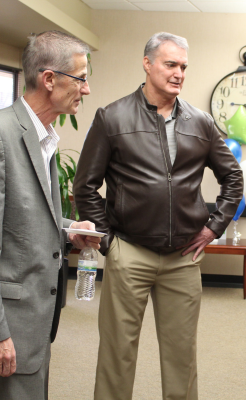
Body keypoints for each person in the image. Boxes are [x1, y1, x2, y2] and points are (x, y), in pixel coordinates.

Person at [73, 32, 243, 400]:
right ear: (147, 64)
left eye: (183, 66)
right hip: (128, 251)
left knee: (182, 358)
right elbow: (85, 185)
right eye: (171, 64)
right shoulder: (112, 117)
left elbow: (232, 177)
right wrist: (108, 242)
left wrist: (214, 227)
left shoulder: (201, 122)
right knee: (117, 354)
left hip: (183, 258)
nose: (179, 73)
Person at [0, 30, 101, 400]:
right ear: (49, 79)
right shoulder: (3, 136)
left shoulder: (45, 139)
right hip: (10, 323)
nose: (86, 90)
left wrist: (69, 228)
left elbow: (23, 219)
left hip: (36, 318)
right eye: (82, 78)